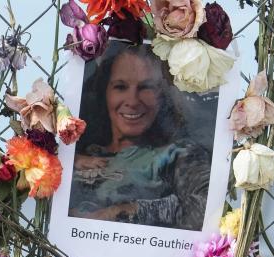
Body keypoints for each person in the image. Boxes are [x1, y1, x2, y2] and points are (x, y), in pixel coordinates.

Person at [68, 41, 211, 230]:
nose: (133, 101)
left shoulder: (178, 155)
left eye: (146, 87)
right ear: (105, 92)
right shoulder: (79, 153)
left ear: (164, 96)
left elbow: (206, 211)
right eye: (120, 87)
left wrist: (123, 212)